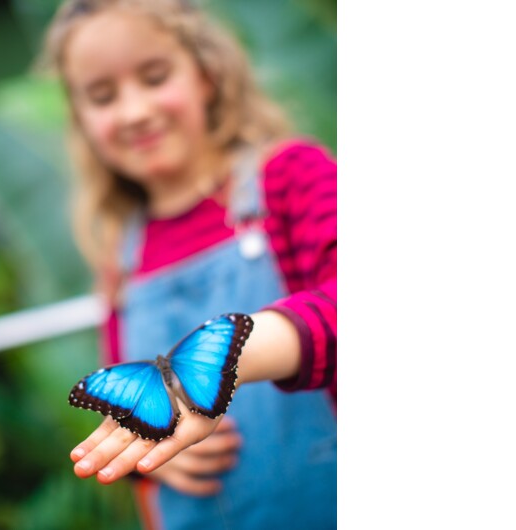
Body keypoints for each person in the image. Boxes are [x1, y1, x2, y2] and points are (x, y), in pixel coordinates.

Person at [39, 1, 337, 528]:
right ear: (81, 118)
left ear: (207, 73)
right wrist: (152, 467)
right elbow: (126, 424)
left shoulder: (291, 177)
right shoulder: (120, 261)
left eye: (155, 77)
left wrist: (231, 354)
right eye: (103, 96)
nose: (133, 112)